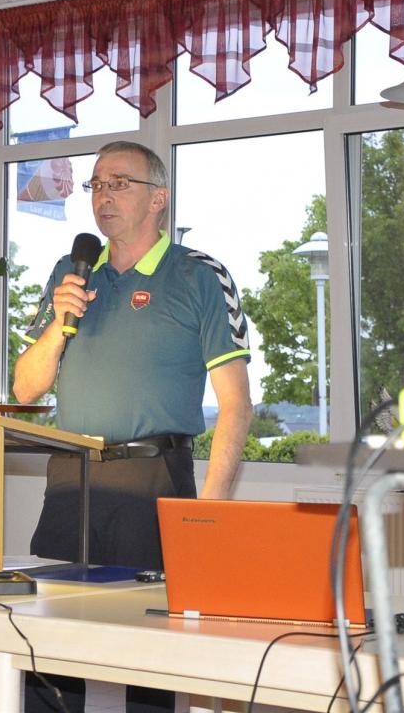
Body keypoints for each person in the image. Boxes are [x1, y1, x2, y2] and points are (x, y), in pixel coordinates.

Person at [13, 140, 253, 713]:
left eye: (120, 183)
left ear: (158, 199)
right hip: (72, 479)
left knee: (147, 653)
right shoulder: (69, 274)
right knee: (47, 647)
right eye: (96, 185)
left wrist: (211, 515)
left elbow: (236, 405)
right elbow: (25, 389)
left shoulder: (199, 275)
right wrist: (59, 325)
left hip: (153, 481)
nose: (104, 196)